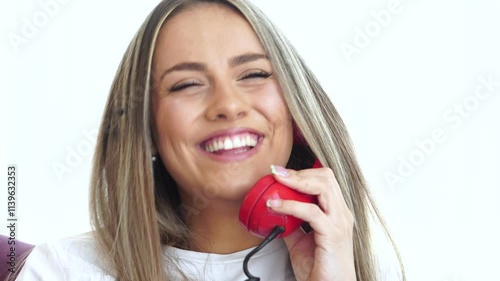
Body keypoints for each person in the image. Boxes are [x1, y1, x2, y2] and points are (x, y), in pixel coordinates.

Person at [15, 0, 405, 280]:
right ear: (145, 132)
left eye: (253, 75)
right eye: (187, 84)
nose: (228, 105)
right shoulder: (64, 270)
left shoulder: (360, 271)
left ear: (296, 114)